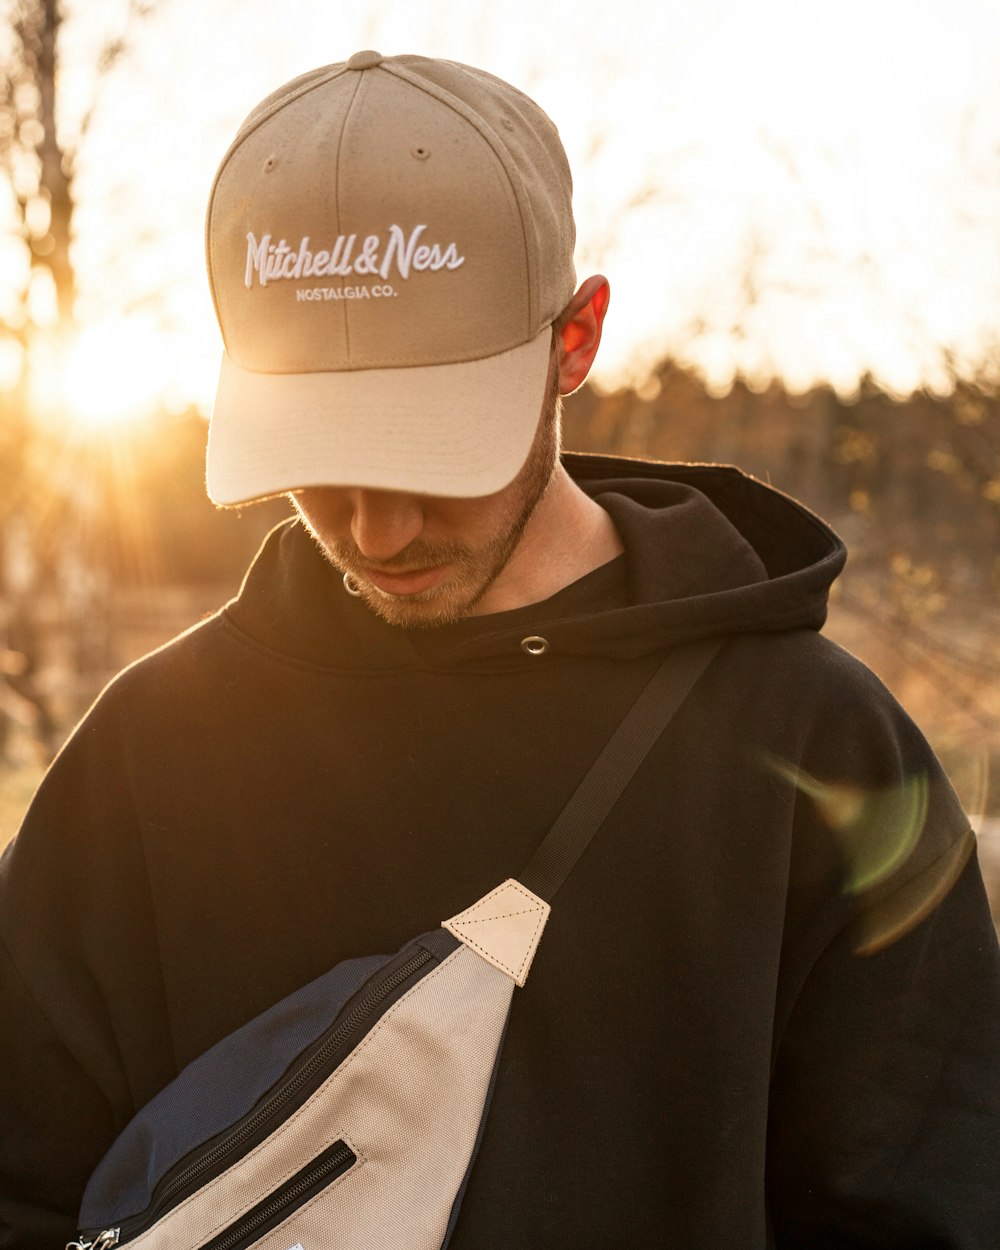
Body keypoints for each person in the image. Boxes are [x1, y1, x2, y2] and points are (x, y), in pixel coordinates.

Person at [1, 50, 999, 1250]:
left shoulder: (813, 745)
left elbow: (926, 1206)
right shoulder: (149, 749)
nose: (376, 529)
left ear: (573, 341)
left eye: (432, 454)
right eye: (319, 456)